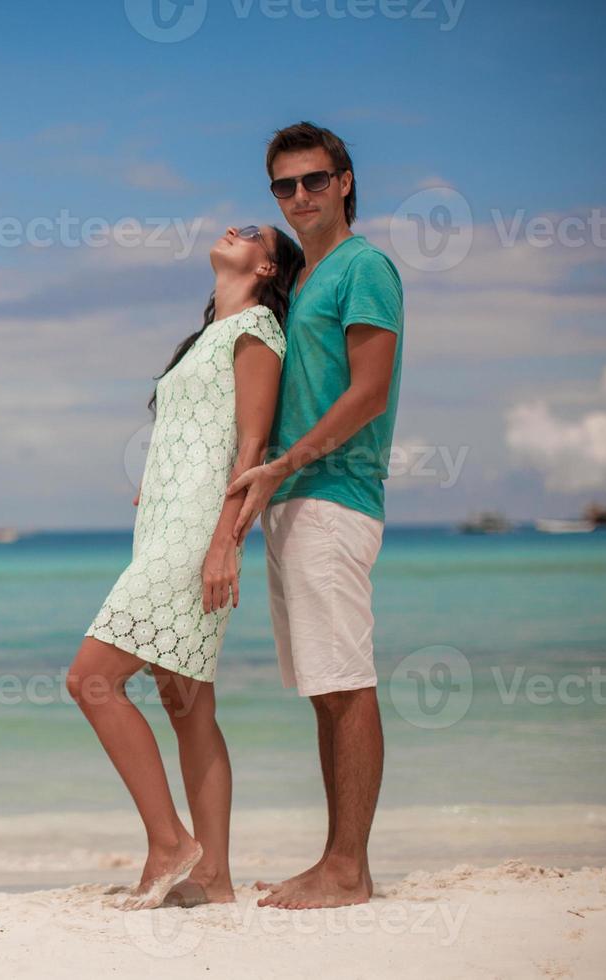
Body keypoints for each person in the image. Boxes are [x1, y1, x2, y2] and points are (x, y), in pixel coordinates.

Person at [68, 223, 303, 910]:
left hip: (199, 532)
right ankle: (215, 878)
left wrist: (225, 539)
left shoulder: (257, 331)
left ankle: (170, 841)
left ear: (266, 268)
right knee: (187, 703)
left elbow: (253, 446)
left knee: (90, 680)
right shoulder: (209, 336)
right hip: (166, 526)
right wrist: (163, 481)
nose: (236, 228)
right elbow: (201, 433)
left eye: (254, 233)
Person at [224, 121, 405, 910]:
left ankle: (349, 871)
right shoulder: (303, 280)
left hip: (334, 496)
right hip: (291, 500)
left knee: (347, 684)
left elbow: (368, 393)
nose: (300, 196)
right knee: (324, 689)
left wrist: (287, 466)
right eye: (284, 186)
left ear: (346, 182)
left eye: (314, 180)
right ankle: (336, 860)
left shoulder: (364, 268)